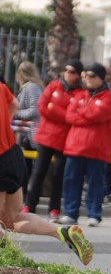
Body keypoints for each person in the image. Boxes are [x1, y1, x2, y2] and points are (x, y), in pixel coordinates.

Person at [0, 78, 93, 265]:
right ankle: (61, 232)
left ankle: (6, 265)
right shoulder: (2, 87)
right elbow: (14, 105)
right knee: (11, 220)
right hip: (13, 155)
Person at [21, 59, 84, 221]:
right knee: (38, 172)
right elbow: (42, 106)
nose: (68, 74)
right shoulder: (54, 85)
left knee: (58, 175)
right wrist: (62, 114)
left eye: (72, 71)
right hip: (46, 136)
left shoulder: (80, 94)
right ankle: (30, 205)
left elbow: (73, 116)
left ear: (78, 75)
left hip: (64, 140)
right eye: (67, 70)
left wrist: (53, 109)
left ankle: (54, 209)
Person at [58, 62, 111, 227]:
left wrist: (80, 113)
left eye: (92, 76)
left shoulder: (108, 97)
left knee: (95, 183)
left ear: (101, 78)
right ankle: (70, 213)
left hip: (97, 148)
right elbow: (69, 116)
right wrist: (85, 115)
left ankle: (94, 214)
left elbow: (99, 114)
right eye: (85, 76)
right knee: (71, 180)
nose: (87, 79)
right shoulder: (79, 95)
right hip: (75, 146)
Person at [13, 61, 44, 197]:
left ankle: (25, 194)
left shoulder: (31, 88)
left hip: (31, 134)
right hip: (27, 133)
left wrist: (16, 114)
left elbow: (34, 110)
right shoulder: (31, 87)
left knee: (27, 166)